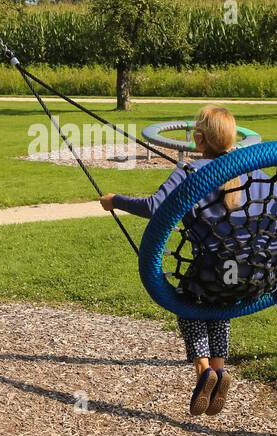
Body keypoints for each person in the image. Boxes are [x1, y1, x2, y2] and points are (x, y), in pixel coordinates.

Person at [100, 104, 264, 417]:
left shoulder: (189, 172)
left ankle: (204, 371)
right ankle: (220, 368)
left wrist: (115, 201)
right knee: (220, 303)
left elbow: (153, 207)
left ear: (199, 140)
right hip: (248, 275)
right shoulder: (252, 170)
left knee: (186, 300)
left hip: (209, 272)